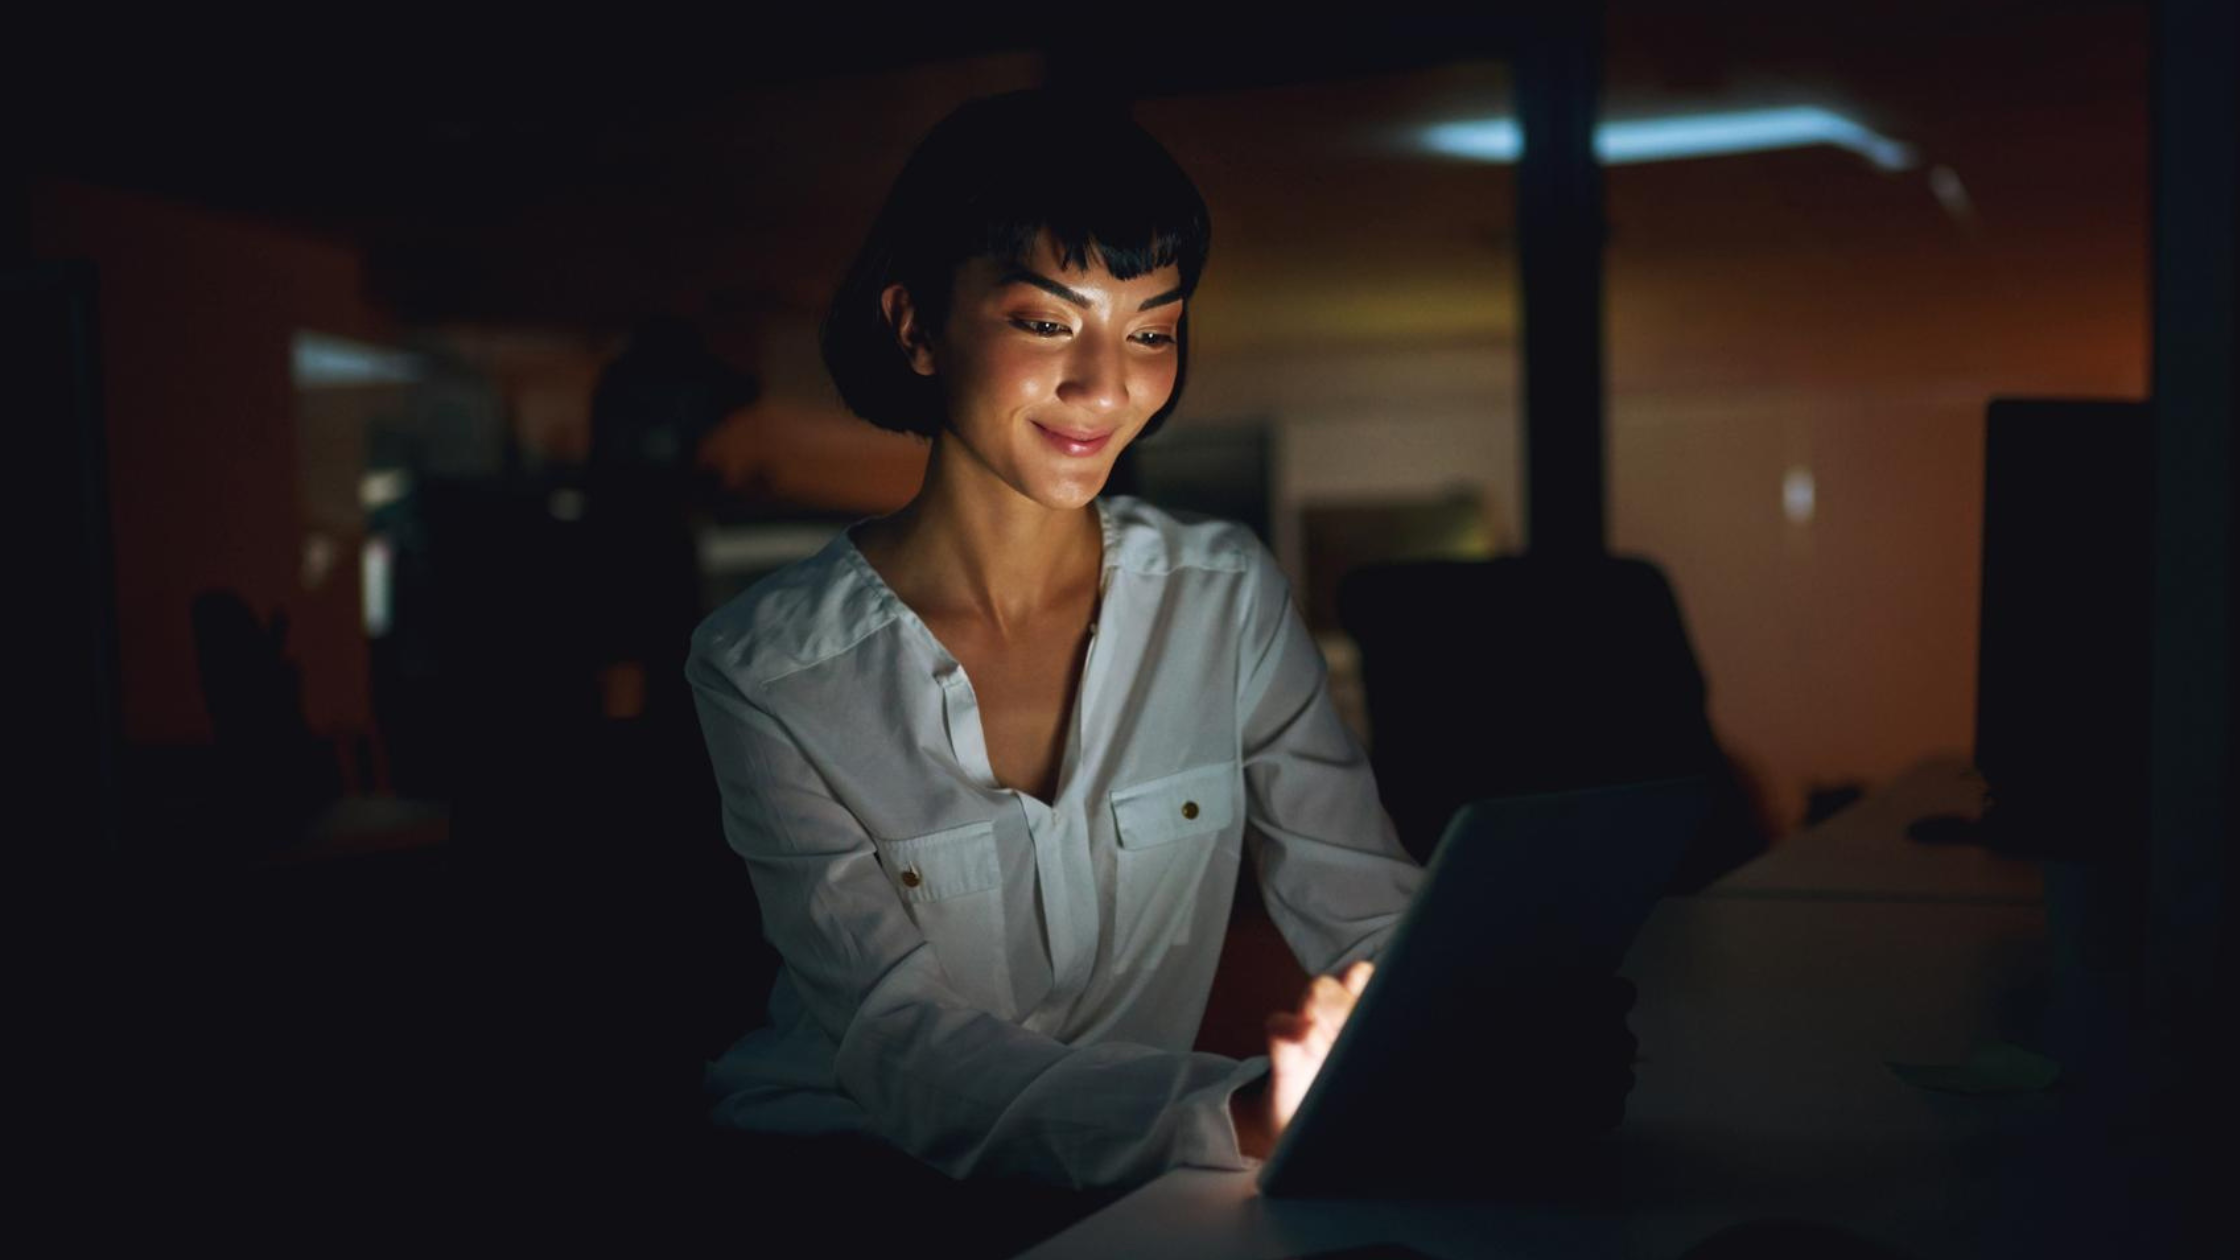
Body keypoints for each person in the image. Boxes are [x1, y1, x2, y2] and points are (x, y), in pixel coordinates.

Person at [685, 89, 1626, 1220]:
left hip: (1129, 1184)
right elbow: (907, 1051)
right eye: (1045, 324)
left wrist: (1479, 1012)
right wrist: (1245, 1114)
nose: (1104, 385)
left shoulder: (1222, 601)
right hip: (844, 1178)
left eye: (1150, 331)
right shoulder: (767, 670)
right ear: (913, 326)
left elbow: (1365, 906)